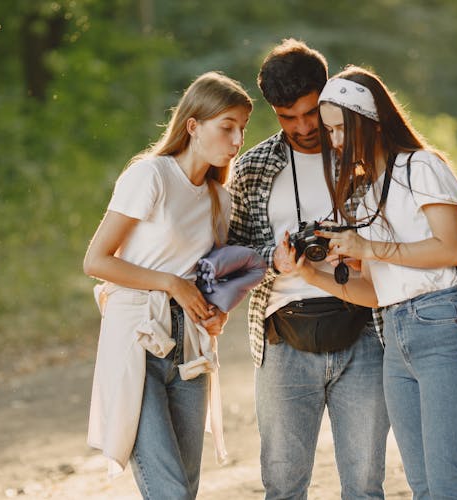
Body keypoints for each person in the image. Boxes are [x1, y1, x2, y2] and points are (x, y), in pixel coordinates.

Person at [295, 66, 457, 499]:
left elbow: (451, 250)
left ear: (369, 118)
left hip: (441, 321)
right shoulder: (367, 188)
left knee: (449, 486)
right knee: (422, 488)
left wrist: (369, 248)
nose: (336, 142)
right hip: (393, 334)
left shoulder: (422, 167)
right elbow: (376, 293)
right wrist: (309, 273)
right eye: (330, 132)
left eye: (341, 128)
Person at [227, 40, 390, 499]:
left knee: (364, 484)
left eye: (310, 112)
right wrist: (272, 259)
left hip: (364, 329)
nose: (301, 127)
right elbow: (232, 257)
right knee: (282, 484)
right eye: (286, 117)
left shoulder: (363, 155)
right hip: (283, 338)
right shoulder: (253, 169)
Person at [82, 71, 252, 499]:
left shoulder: (220, 198)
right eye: (226, 127)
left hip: (191, 347)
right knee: (169, 490)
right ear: (193, 125)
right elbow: (96, 261)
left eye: (242, 130)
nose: (236, 142)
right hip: (138, 337)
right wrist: (171, 284)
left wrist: (218, 312)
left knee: (183, 488)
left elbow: (209, 276)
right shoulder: (151, 177)